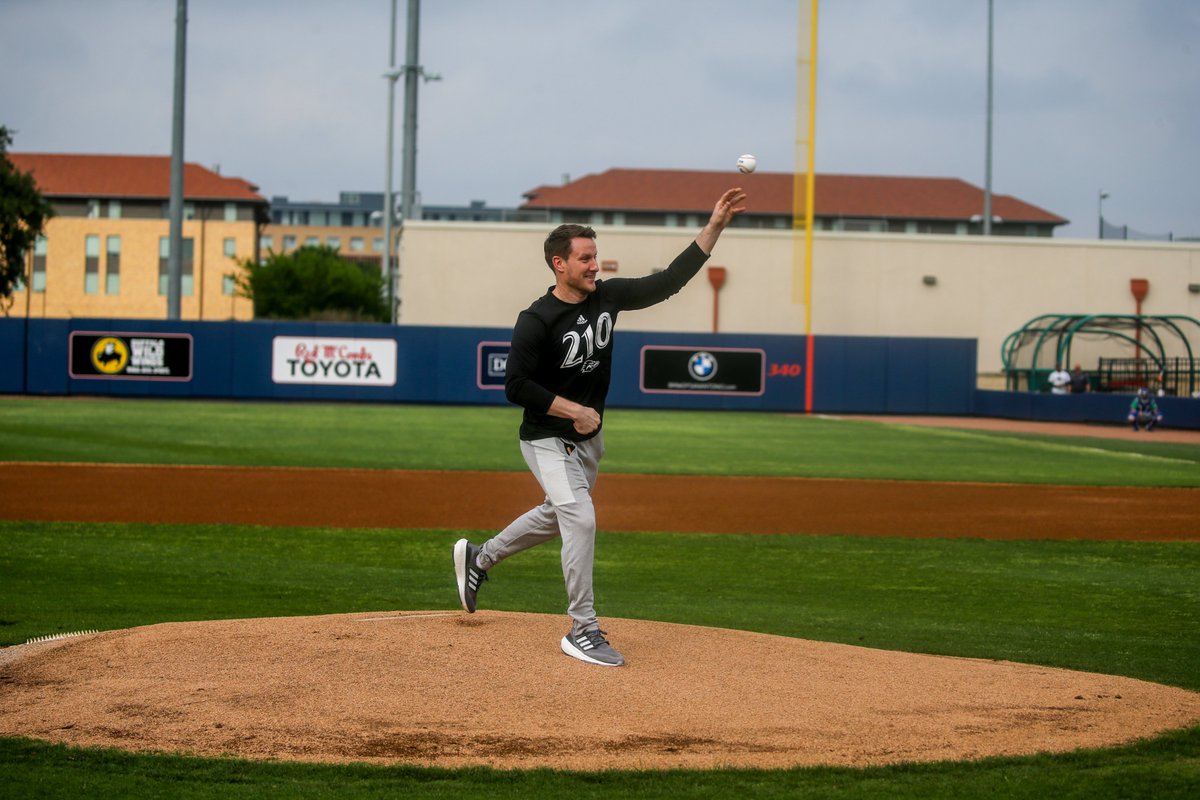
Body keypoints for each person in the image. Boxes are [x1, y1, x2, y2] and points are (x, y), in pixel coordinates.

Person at [453, 187, 748, 667]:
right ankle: (583, 628)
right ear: (559, 264)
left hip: (588, 442)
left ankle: (480, 559)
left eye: (596, 257)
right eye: (586, 258)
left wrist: (714, 224)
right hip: (546, 439)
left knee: (558, 514)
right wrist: (572, 410)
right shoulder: (536, 320)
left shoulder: (606, 297)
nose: (595, 266)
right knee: (580, 517)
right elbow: (515, 386)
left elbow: (669, 280)